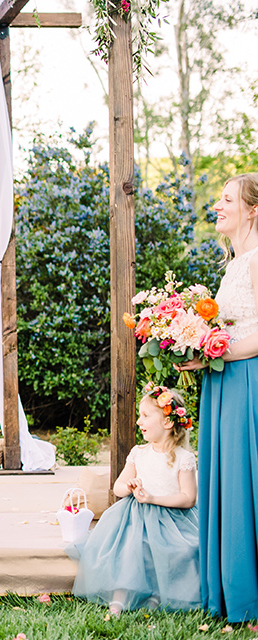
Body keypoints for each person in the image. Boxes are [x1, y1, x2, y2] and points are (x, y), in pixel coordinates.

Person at [178, 173, 258, 623]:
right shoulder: (232, 264)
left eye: (228, 199)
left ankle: (248, 592)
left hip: (248, 380)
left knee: (247, 478)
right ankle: (229, 589)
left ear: (252, 209)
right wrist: (192, 346)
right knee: (226, 480)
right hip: (223, 381)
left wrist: (216, 349)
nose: (218, 205)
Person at [72, 386, 200, 615]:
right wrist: (129, 487)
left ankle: (156, 596)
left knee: (181, 549)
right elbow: (118, 487)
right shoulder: (139, 452)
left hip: (173, 519)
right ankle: (119, 598)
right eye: (139, 415)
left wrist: (153, 497)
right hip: (134, 514)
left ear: (168, 422)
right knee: (129, 547)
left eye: (146, 416)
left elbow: (188, 498)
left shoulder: (184, 458)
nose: (139, 421)